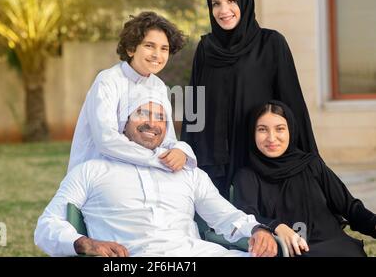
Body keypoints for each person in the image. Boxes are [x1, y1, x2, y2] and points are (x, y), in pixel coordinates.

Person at [34, 90, 277, 257]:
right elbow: (47, 225)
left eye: (161, 117)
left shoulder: (186, 172)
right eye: (142, 113)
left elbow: (225, 217)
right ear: (124, 121)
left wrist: (257, 230)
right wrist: (85, 243)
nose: (152, 123)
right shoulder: (91, 171)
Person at [181, 0, 318, 199]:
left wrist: (304, 163)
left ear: (244, 1)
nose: (223, 10)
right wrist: (187, 151)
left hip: (258, 154)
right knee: (216, 227)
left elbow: (291, 103)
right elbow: (195, 104)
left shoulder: (271, 43)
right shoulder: (206, 48)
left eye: (231, 1)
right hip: (215, 160)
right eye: (216, 4)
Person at [233, 100, 376, 257]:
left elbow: (350, 207)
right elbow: (246, 216)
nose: (271, 138)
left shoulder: (311, 164)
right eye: (262, 129)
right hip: (291, 251)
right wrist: (275, 226)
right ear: (252, 133)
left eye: (280, 129)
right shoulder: (246, 175)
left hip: (335, 245)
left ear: (291, 131)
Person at [67, 11, 196, 174]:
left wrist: (180, 151)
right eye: (149, 46)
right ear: (130, 49)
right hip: (96, 176)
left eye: (164, 49)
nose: (157, 55)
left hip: (136, 177)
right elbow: (107, 140)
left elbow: (165, 138)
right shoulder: (107, 81)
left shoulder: (159, 86)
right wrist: (160, 157)